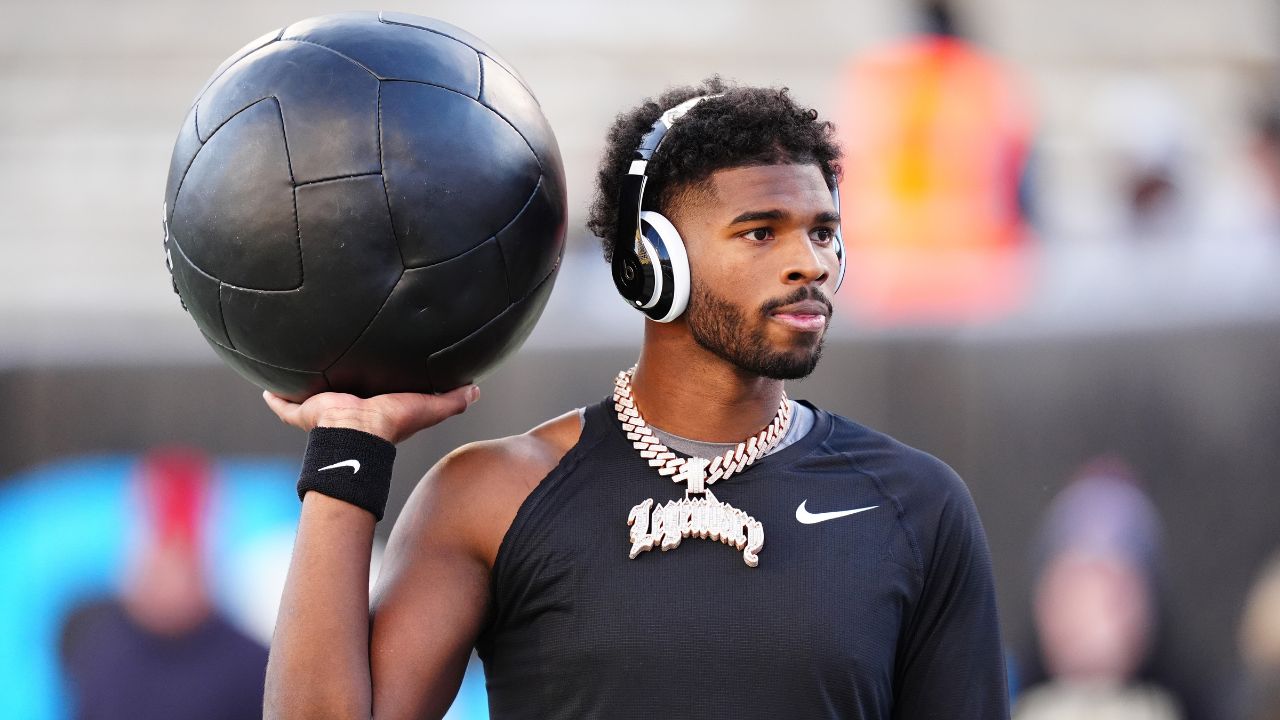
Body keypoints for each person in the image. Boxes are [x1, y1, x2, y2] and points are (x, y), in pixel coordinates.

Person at [261, 77, 1008, 720]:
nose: (807, 263)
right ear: (653, 262)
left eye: (822, 233)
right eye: (760, 233)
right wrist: (347, 447)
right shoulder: (491, 495)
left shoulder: (917, 505)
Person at [59, 449, 268, 720]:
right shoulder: (99, 652)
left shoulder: (252, 667)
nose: (171, 584)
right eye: (161, 563)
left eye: (183, 563)